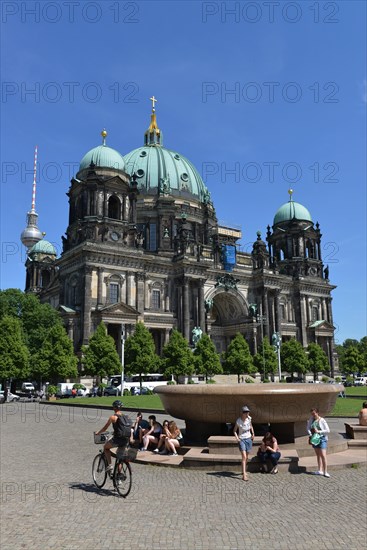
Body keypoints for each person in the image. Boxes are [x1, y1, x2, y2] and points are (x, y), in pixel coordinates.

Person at [95, 400, 129, 471]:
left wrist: (98, 432)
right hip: (125, 440)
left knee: (106, 448)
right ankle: (119, 478)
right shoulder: (126, 417)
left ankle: (110, 465)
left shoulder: (113, 417)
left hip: (117, 440)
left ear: (114, 408)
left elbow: (105, 428)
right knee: (119, 458)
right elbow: (123, 427)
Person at [307, 407, 331, 478]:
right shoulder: (311, 420)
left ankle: (325, 471)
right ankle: (319, 470)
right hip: (314, 439)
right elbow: (308, 428)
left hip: (322, 438)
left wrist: (319, 431)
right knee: (318, 455)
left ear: (317, 413)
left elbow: (328, 430)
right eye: (312, 414)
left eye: (314, 413)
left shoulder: (322, 420)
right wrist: (310, 434)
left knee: (323, 455)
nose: (313, 415)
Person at [233, 405, 255, 481]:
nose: (247, 414)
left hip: (249, 439)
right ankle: (244, 475)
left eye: (248, 412)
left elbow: (251, 426)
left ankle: (243, 471)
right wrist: (237, 438)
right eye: (246, 413)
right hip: (242, 439)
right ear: (242, 413)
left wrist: (253, 433)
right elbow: (234, 431)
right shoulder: (238, 421)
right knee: (244, 457)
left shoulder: (249, 419)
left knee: (247, 457)